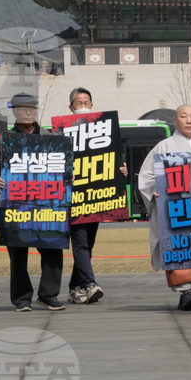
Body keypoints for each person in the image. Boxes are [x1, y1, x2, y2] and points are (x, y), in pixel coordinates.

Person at [0, 93, 66, 312]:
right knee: (18, 253)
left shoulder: (51, 137)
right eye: (22, 109)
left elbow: (63, 166)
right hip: (16, 204)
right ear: (14, 112)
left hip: (48, 203)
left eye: (31, 109)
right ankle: (22, 298)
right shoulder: (4, 140)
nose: (28, 112)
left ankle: (48, 295)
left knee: (52, 248)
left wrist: (68, 177)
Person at [138, 105, 191, 311]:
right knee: (178, 244)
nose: (189, 120)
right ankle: (186, 292)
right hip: (175, 206)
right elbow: (146, 176)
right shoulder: (163, 146)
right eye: (184, 116)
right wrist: (154, 190)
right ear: (175, 120)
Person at [65, 87, 127, 305]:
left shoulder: (104, 131)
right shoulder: (61, 132)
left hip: (96, 198)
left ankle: (75, 287)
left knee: (87, 245)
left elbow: (112, 160)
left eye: (86, 102)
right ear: (70, 107)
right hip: (74, 199)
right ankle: (90, 283)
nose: (83, 106)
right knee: (80, 242)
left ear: (92, 104)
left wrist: (120, 172)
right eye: (78, 103)